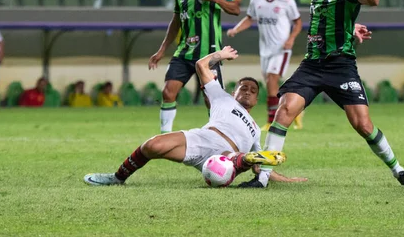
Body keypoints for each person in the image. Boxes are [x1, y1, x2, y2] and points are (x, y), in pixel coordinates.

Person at [238, 0, 404, 189]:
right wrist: (351, 27)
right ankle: (262, 179)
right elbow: (329, 17)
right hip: (312, 64)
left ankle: (399, 171)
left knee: (363, 125)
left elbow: (372, 0)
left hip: (340, 65)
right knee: (284, 111)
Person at [84, 46, 306, 187]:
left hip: (226, 155)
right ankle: (117, 178)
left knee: (239, 160)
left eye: (253, 90)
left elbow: (263, 167)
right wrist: (220, 55)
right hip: (202, 138)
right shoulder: (221, 98)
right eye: (243, 87)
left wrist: (287, 179)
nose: (247, 91)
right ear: (233, 92)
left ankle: (242, 160)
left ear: (257, 100)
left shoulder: (256, 129)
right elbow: (201, 65)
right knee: (152, 145)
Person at [149, 0, 240, 134]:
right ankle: (165, 136)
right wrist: (162, 50)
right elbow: (176, 21)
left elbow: (235, 9)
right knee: (168, 92)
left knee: (211, 99)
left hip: (209, 53)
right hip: (184, 51)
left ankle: (219, 134)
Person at [227, 0, 303, 130]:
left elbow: (298, 23)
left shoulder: (287, 1)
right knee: (272, 85)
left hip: (281, 49)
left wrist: (291, 39)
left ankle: (271, 121)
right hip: (265, 50)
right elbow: (249, 19)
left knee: (271, 80)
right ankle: (295, 110)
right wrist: (236, 29)